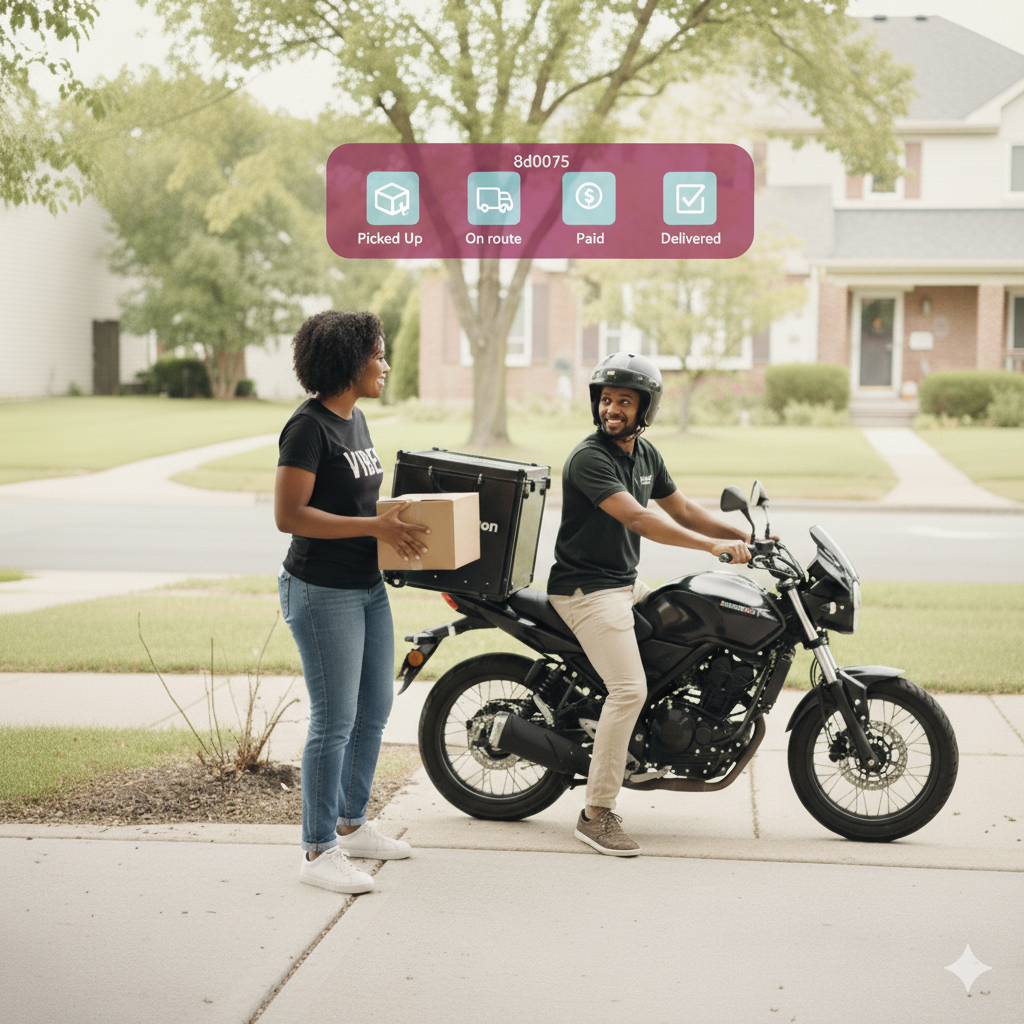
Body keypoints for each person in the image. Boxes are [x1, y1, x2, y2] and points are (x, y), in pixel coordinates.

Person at [547, 352, 752, 857]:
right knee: (629, 689)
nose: (612, 408)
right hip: (586, 591)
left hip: (621, 584)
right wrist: (710, 548)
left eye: (624, 401)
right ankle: (596, 813)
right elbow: (640, 520)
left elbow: (680, 509)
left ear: (645, 410)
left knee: (692, 621)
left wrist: (745, 535)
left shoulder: (645, 454)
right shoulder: (590, 458)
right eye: (607, 399)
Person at [275, 310, 430, 893]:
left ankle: (351, 822)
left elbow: (358, 501)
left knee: (374, 711)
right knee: (334, 722)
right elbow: (290, 515)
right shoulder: (308, 428)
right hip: (321, 591)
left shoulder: (356, 419)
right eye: (379, 355)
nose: (385, 365)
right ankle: (318, 852)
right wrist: (374, 526)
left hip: (366, 587)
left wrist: (392, 517)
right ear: (349, 362)